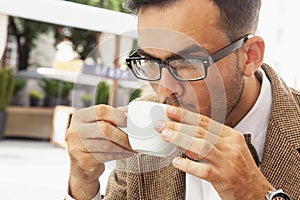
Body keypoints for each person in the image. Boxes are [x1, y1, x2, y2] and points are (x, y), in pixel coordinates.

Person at [65, 0, 300, 199]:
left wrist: (257, 194)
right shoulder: (142, 132)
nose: (165, 90)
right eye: (150, 62)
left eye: (188, 63)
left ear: (250, 56)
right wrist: (82, 183)